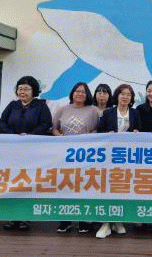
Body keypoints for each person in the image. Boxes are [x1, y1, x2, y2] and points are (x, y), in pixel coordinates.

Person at [0, 75, 52, 231]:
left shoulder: (41, 106)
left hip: (33, 151)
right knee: (12, 183)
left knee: (28, 183)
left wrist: (30, 136)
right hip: (13, 151)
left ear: (34, 91)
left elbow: (46, 124)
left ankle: (25, 217)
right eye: (20, 89)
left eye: (26, 89)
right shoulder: (12, 105)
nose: (22, 92)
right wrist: (12, 135)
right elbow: (1, 122)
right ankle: (11, 216)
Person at [52, 82, 100, 234]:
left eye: (83, 92)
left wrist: (87, 139)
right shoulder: (62, 109)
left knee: (85, 186)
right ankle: (65, 221)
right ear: (72, 93)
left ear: (87, 95)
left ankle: (83, 220)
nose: (80, 94)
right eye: (77, 91)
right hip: (65, 155)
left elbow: (98, 130)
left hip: (86, 155)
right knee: (66, 185)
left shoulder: (93, 110)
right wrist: (60, 137)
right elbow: (54, 128)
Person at [96, 83, 141, 238]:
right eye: (122, 94)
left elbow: (141, 131)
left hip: (128, 158)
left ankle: (117, 220)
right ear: (117, 96)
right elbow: (100, 132)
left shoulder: (135, 113)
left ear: (131, 98)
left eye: (128, 95)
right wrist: (107, 134)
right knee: (108, 187)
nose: (125, 97)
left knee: (122, 188)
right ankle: (106, 223)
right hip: (110, 157)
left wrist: (137, 132)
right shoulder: (108, 113)